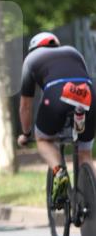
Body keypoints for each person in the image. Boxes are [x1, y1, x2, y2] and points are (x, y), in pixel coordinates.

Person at [18, 31, 94, 202]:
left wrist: (26, 133)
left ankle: (59, 172)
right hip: (88, 94)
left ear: (33, 48)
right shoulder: (73, 52)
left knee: (43, 139)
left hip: (57, 94)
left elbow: (25, 106)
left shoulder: (31, 59)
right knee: (85, 154)